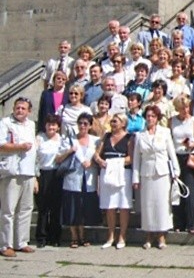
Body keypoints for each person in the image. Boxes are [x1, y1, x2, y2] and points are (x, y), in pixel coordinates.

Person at [132, 105, 180, 249]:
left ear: (157, 118)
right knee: (148, 205)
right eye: (148, 116)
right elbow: (136, 159)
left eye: (153, 116)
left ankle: (161, 237)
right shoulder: (139, 135)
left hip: (162, 173)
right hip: (146, 173)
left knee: (162, 205)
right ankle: (148, 236)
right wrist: (135, 178)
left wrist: (176, 171)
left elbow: (171, 152)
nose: (150, 119)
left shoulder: (165, 132)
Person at [57, 113, 101, 249]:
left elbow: (98, 157)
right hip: (72, 178)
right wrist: (70, 151)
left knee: (82, 209)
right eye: (80, 123)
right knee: (72, 208)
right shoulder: (70, 140)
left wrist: (92, 162)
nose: (82, 126)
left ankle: (83, 235)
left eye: (85, 123)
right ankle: (74, 237)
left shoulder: (96, 140)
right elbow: (58, 158)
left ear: (90, 125)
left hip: (88, 178)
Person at [0, 97, 37, 257]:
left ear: (29, 111)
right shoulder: (6, 123)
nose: (20, 111)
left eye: (23, 108)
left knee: (26, 208)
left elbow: (34, 151)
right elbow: (1, 145)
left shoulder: (31, 125)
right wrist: (19, 147)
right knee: (8, 210)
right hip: (12, 171)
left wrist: (36, 175)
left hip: (28, 171)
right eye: (18, 108)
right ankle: (5, 244)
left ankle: (21, 242)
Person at [94, 113, 134, 249]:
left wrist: (116, 163)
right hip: (107, 172)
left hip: (123, 172)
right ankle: (110, 235)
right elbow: (97, 154)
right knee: (109, 205)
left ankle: (122, 235)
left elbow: (131, 157)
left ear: (123, 123)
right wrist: (100, 161)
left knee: (123, 205)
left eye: (115, 121)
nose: (113, 123)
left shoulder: (129, 138)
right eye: (112, 121)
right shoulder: (106, 137)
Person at [170, 95, 194, 234]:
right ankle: (179, 223)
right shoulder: (172, 121)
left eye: (187, 107)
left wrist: (192, 144)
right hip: (176, 157)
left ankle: (192, 224)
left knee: (189, 190)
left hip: (189, 156)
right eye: (183, 108)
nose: (186, 110)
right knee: (177, 190)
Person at [34, 115, 63, 248]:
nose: (51, 127)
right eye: (49, 124)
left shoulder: (61, 140)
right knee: (43, 208)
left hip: (56, 174)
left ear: (58, 127)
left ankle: (55, 237)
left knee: (56, 208)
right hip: (42, 173)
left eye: (54, 125)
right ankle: (41, 237)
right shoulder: (39, 138)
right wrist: (35, 176)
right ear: (45, 125)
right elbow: (34, 158)